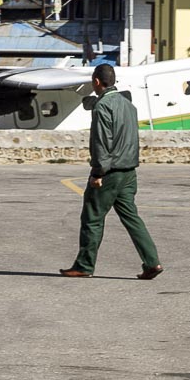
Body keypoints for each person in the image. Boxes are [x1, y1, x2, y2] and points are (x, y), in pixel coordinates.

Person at [61, 64, 164, 280]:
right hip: (129, 171)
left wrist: (97, 173)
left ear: (97, 82)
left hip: (110, 172)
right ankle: (152, 262)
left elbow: (102, 143)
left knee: (92, 218)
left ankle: (84, 265)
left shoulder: (102, 106)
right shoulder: (128, 105)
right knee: (131, 218)